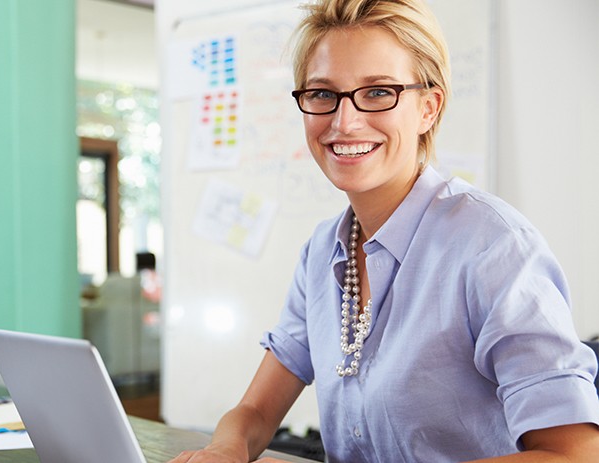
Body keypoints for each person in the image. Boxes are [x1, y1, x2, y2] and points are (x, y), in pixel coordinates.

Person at [169, 0, 599, 461]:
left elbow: (571, 453)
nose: (344, 121)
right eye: (322, 93)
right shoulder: (322, 251)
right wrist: (225, 448)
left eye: (377, 92)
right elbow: (254, 410)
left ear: (428, 108)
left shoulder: (492, 246)